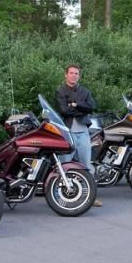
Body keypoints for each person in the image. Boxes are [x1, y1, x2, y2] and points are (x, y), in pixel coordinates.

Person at [55, 64, 101, 207]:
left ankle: (90, 197)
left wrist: (75, 105)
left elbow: (92, 107)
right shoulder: (60, 90)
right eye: (71, 73)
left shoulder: (85, 91)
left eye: (76, 73)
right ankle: (58, 197)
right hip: (67, 133)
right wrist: (81, 108)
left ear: (79, 76)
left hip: (83, 133)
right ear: (66, 75)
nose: (74, 75)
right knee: (64, 166)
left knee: (86, 165)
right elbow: (63, 110)